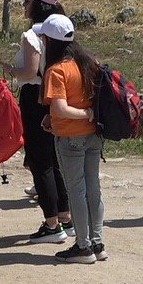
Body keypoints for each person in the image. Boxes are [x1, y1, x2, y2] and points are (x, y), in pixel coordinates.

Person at [0, 0, 73, 244]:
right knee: (54, 160)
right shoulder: (62, 30)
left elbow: (30, 72)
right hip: (56, 94)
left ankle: (52, 224)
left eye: (27, 1)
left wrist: (9, 69)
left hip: (35, 98)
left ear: (38, 5)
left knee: (40, 161)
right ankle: (66, 216)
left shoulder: (32, 35)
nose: (24, 5)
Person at [38, 14, 106, 264]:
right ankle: (98, 243)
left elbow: (62, 109)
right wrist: (89, 115)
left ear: (49, 41)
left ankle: (83, 246)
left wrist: (81, 114)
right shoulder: (89, 62)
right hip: (93, 136)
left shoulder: (56, 70)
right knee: (93, 189)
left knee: (76, 190)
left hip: (70, 137)